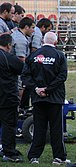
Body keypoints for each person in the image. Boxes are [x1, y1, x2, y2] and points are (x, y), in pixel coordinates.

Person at [21, 32, 70, 165]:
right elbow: (62, 76)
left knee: (39, 127)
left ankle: (34, 156)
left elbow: (25, 76)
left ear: (43, 41)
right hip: (55, 98)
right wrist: (48, 90)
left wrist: (37, 88)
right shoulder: (60, 55)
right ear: (55, 42)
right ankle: (59, 157)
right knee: (56, 128)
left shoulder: (33, 55)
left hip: (38, 98)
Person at [0, 34, 24, 162]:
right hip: (7, 97)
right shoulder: (9, 58)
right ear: (9, 45)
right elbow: (22, 69)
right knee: (9, 125)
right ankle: (9, 152)